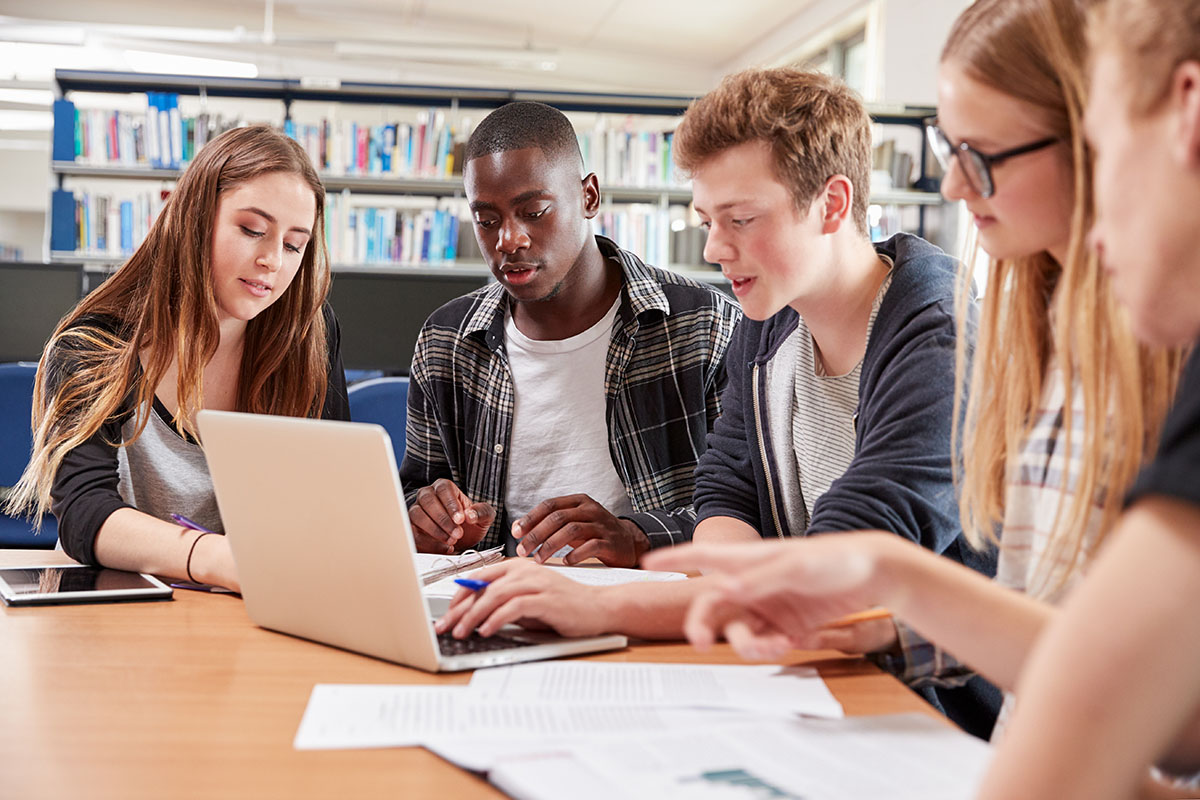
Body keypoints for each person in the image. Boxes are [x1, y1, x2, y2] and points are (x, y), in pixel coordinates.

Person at [642, 0, 1183, 762]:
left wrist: (882, 578)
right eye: (947, 146)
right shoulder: (1045, 336)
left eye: (983, 154)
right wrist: (898, 619)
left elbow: (1151, 697)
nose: (956, 188)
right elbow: (1053, 622)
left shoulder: (954, 332)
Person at [437, 68, 1002, 739]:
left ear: (831, 204)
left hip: (924, 716)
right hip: (800, 672)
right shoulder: (773, 317)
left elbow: (834, 572)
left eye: (740, 219)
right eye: (707, 221)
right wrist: (735, 577)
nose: (713, 249)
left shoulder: (938, 340)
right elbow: (726, 490)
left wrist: (598, 609)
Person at [975, 1, 1200, 797]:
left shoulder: (1166, 340)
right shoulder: (1031, 320)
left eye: (1104, 155)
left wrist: (888, 577)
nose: (1098, 232)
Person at [4, 125, 349, 593]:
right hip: (118, 606)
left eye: (293, 245)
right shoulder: (95, 346)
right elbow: (85, 514)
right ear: (195, 219)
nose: (273, 259)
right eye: (252, 230)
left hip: (252, 607)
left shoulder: (308, 335)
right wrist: (215, 557)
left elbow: (332, 495)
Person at [398, 101, 741, 568]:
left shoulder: (707, 326)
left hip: (651, 611)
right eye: (487, 220)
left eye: (534, 211)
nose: (508, 240)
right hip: (493, 607)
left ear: (589, 197)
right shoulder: (446, 340)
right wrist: (428, 522)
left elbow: (749, 510)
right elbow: (413, 494)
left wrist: (637, 537)